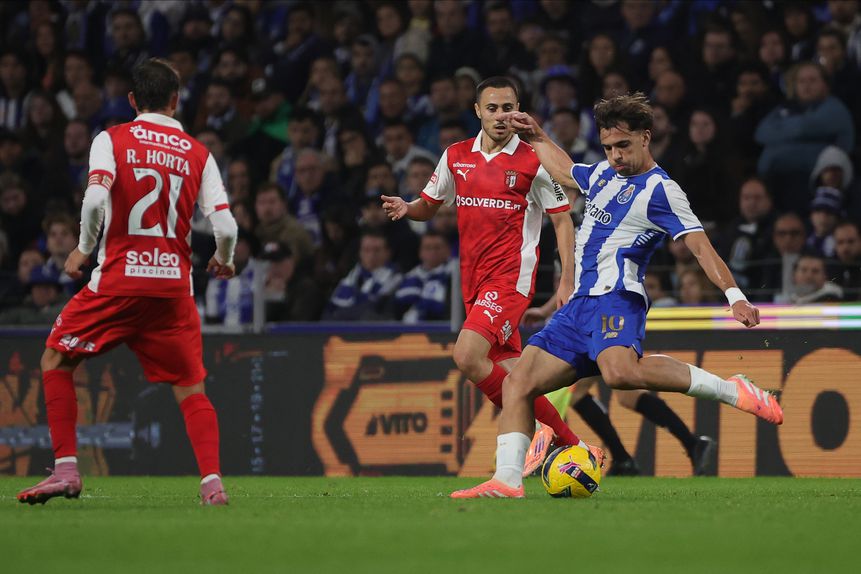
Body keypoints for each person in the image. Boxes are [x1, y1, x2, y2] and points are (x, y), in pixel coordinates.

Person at [452, 93, 782, 499]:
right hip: (578, 308)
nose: (616, 156)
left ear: (646, 138)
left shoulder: (662, 190)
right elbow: (569, 171)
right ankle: (507, 481)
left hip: (616, 297)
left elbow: (701, 247)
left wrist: (735, 296)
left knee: (621, 374)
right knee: (519, 383)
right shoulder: (604, 174)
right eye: (608, 147)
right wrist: (538, 136)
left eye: (623, 146)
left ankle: (733, 390)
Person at [16, 59, 238, 506]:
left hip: (118, 281)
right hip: (172, 290)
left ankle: (66, 471)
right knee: (191, 388)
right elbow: (227, 226)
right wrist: (224, 260)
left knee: (56, 358)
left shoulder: (111, 139)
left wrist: (82, 248)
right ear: (176, 100)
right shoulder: (199, 152)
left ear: (133, 100)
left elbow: (97, 197)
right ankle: (212, 483)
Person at [382, 76, 590, 475]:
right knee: (514, 375)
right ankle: (574, 444)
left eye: (508, 107)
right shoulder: (456, 155)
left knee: (466, 354)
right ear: (477, 111)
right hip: (473, 283)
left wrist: (567, 280)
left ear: (519, 110)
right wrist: (409, 208)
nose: (500, 116)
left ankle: (540, 434)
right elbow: (430, 204)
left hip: (510, 280)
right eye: (492, 108)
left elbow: (563, 223)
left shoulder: (534, 160)